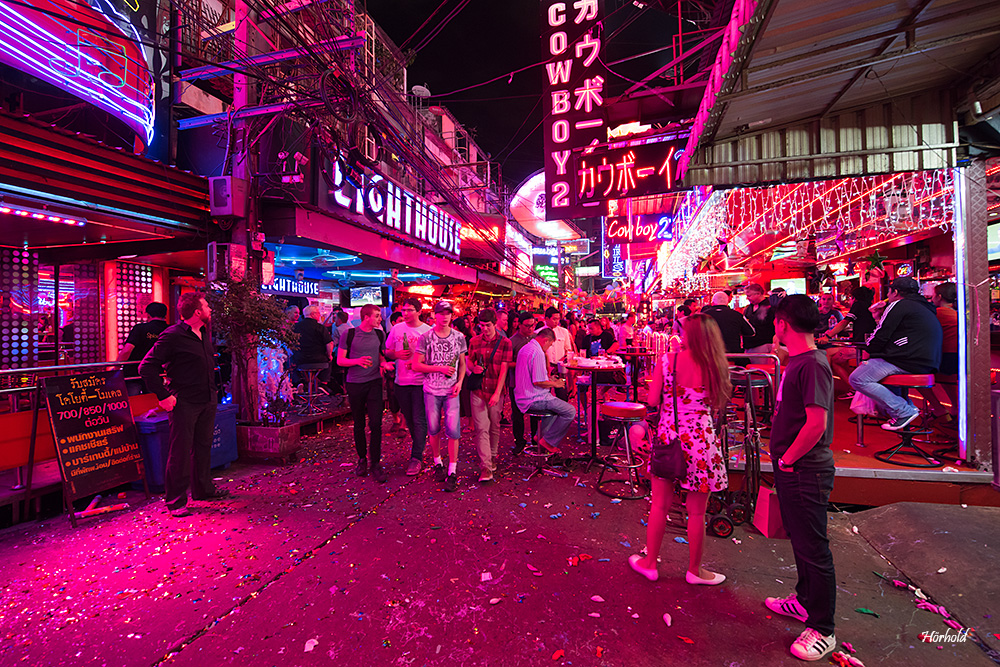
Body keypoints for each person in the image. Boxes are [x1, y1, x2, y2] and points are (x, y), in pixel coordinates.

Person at [625, 314, 731, 588]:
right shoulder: (716, 365)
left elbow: (651, 400)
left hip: (669, 436)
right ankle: (695, 570)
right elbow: (718, 404)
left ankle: (650, 564)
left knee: (660, 504)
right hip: (702, 441)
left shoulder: (667, 361)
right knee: (697, 512)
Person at [764, 294, 838, 662]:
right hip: (794, 467)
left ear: (783, 324)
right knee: (801, 540)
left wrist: (790, 459)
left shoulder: (812, 364)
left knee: (813, 546)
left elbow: (816, 423)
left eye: (776, 321)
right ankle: (804, 601)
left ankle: (824, 629)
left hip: (806, 469)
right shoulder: (800, 360)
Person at [139, 292, 229, 518]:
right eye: (207, 306)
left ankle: (203, 490)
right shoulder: (173, 335)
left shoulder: (203, 333)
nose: (210, 310)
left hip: (207, 398)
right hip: (185, 401)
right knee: (180, 452)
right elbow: (146, 367)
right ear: (197, 312)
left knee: (202, 447)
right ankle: (175, 501)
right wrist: (163, 395)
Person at [849, 276, 943, 431]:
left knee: (858, 378)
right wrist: (878, 318)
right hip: (928, 362)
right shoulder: (926, 307)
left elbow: (880, 337)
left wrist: (869, 350)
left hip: (906, 359)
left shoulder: (898, 304)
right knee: (880, 376)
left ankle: (903, 411)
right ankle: (906, 408)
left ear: (895, 292)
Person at [412, 301, 467, 492]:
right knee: (433, 429)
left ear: (452, 316)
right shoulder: (425, 338)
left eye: (448, 314)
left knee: (453, 431)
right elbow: (416, 365)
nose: (445, 317)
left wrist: (460, 382)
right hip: (431, 390)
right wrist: (440, 368)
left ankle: (452, 469)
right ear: (435, 315)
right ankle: (438, 462)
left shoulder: (459, 337)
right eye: (441, 314)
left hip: (451, 391)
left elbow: (462, 364)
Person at [338, 304, 388, 483]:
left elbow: (381, 356)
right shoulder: (349, 334)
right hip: (355, 383)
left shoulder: (379, 334)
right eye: (376, 315)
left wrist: (384, 364)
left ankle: (375, 462)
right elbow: (340, 360)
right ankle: (362, 459)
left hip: (374, 382)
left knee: (376, 423)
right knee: (359, 423)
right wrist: (357, 361)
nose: (379, 319)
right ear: (366, 317)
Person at [384, 298, 432, 475]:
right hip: (401, 381)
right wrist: (396, 354)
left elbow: (434, 357)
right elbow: (387, 351)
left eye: (410, 310)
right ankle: (419, 445)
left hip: (421, 382)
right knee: (410, 419)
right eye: (403, 310)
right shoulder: (397, 329)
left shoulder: (428, 331)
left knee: (419, 418)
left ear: (419, 312)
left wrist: (420, 363)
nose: (405, 313)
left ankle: (416, 457)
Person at [468, 308, 513, 483]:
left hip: (496, 388)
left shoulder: (505, 342)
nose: (484, 329)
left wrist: (497, 392)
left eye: (487, 325)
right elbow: (469, 360)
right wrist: (473, 368)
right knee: (481, 427)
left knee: (494, 425)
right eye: (482, 326)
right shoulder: (474, 341)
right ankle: (485, 465)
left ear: (495, 324)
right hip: (478, 389)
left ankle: (493, 455)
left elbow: (504, 370)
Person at [514, 328, 576, 454]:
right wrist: (556, 384)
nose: (549, 348)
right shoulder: (537, 352)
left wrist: (549, 379)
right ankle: (547, 441)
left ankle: (540, 435)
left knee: (556, 406)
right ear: (546, 340)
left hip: (523, 396)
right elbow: (538, 382)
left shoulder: (526, 348)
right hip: (533, 399)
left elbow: (534, 377)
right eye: (550, 345)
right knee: (570, 411)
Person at [818, 286, 876, 398]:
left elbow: (844, 323)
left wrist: (827, 336)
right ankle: (854, 388)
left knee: (835, 360)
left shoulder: (858, 305)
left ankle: (853, 389)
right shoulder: (869, 305)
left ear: (854, 297)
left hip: (862, 347)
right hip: (869, 345)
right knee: (840, 360)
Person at [917, 282, 959, 424]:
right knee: (949, 381)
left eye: (934, 295)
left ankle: (938, 408)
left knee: (913, 374)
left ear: (939, 297)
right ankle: (955, 409)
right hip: (958, 361)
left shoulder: (937, 313)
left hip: (946, 360)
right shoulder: (957, 313)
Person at [117, 301, 168, 393]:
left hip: (134, 372)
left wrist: (116, 367)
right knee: (153, 402)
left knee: (134, 402)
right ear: (165, 315)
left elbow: (127, 350)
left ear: (148, 315)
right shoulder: (170, 330)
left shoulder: (140, 328)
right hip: (156, 373)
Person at [508, 312, 538, 455]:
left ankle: (535, 439)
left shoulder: (536, 338)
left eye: (533, 325)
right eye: (527, 326)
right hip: (517, 383)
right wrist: (523, 363)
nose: (530, 328)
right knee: (518, 414)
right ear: (519, 325)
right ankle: (519, 441)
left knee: (536, 412)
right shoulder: (512, 342)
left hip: (534, 382)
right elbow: (507, 363)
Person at [291, 305, 333, 389]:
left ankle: (300, 382)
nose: (320, 315)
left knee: (291, 364)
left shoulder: (295, 327)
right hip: (319, 360)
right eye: (318, 313)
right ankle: (323, 383)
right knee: (330, 361)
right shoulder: (320, 327)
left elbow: (290, 343)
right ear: (312, 314)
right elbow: (329, 343)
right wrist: (329, 355)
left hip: (300, 360)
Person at [384, 311, 405, 433]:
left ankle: (402, 423)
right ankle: (396, 419)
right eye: (400, 321)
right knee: (392, 396)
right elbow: (385, 351)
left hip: (405, 370)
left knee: (404, 397)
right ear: (393, 323)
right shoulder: (388, 335)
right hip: (392, 368)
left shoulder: (409, 333)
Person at [742, 284, 774, 354]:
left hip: (763, 344)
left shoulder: (770, 307)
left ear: (758, 294)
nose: (747, 298)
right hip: (749, 345)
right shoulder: (748, 308)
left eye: (749, 295)